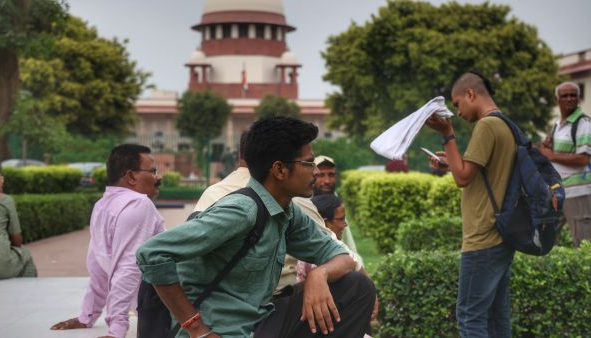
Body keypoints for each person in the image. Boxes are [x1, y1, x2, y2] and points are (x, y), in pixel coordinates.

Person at [137, 117, 376, 338]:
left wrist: (319, 273)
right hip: (222, 330)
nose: (316, 172)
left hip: (260, 322)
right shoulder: (241, 211)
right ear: (280, 170)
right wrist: (197, 329)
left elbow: (342, 257)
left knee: (357, 287)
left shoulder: (287, 212)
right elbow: (152, 253)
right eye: (309, 163)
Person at [425, 71, 517, 337]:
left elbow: (463, 178)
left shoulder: (486, 126)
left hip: (482, 237)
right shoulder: (505, 124)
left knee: (470, 317)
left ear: (471, 94)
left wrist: (447, 133)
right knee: (497, 319)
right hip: (502, 235)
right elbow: (477, 172)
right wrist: (449, 163)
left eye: (457, 104)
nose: (458, 112)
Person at [51, 144, 165, 338]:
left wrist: (87, 316)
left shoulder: (102, 205)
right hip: (167, 307)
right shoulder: (138, 203)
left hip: (154, 304)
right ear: (131, 177)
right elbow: (129, 265)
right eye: (153, 171)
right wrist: (117, 329)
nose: (158, 177)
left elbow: (99, 264)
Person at [540, 82, 591, 247]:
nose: (569, 99)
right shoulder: (557, 125)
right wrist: (546, 148)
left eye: (573, 95)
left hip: (578, 193)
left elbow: (583, 159)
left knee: (584, 244)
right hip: (558, 191)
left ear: (578, 98)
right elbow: (546, 151)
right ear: (557, 99)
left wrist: (552, 155)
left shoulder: (584, 124)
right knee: (546, 239)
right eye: (565, 95)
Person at [0, 162, 38, 280]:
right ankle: (28, 294)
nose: (2, 179)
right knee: (25, 256)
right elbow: (16, 239)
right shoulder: (5, 200)